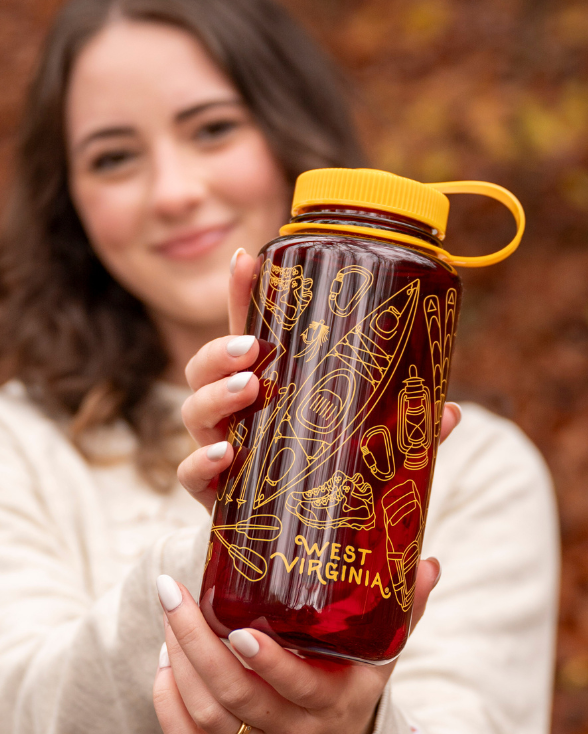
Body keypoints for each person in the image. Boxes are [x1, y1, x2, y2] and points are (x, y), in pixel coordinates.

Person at [0, 0, 558, 732]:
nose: (174, 191)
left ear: (289, 128)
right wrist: (234, 540)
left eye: (213, 128)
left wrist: (361, 724)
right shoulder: (20, 445)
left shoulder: (477, 469)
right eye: (113, 157)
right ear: (68, 200)